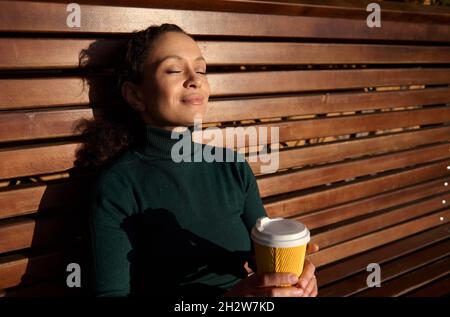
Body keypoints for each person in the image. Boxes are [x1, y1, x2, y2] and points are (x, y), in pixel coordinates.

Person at [76, 23, 318, 297]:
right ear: (135, 95)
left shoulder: (232, 167)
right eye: (175, 70)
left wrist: (295, 277)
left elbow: (262, 257)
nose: (195, 79)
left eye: (201, 69)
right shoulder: (117, 186)